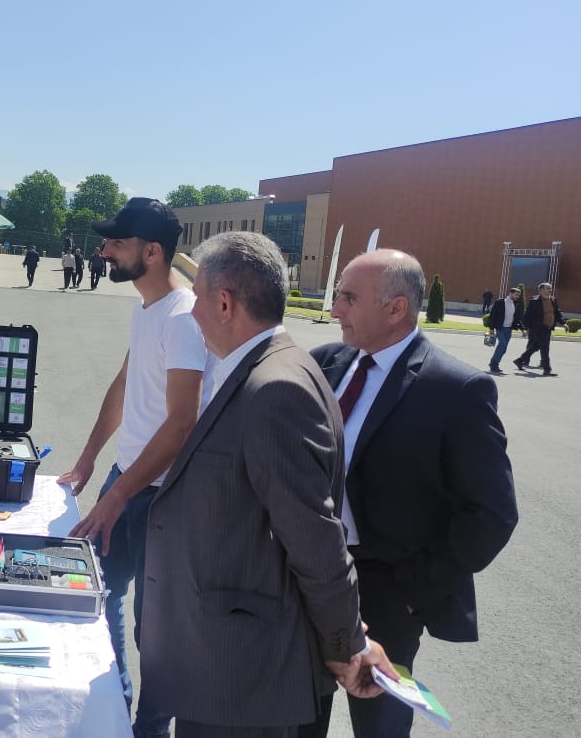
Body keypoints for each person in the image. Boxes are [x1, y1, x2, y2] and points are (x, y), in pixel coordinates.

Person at [141, 232, 397, 738]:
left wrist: (347, 645)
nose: (191, 316)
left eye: (197, 304)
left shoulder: (274, 387)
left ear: (223, 303)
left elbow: (315, 538)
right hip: (224, 663)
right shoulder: (267, 367)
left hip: (242, 681)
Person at [301, 249, 519, 738]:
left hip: (388, 594)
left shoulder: (457, 390)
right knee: (297, 717)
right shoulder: (324, 364)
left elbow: (492, 512)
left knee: (379, 725)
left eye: (349, 297)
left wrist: (412, 595)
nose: (336, 309)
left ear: (396, 308)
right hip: (312, 577)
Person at [58, 197, 217, 738]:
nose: (103, 250)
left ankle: (149, 729)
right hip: (127, 479)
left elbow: (181, 423)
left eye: (116, 243)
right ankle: (118, 710)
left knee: (159, 633)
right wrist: (86, 462)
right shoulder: (146, 308)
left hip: (163, 497)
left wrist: (118, 494)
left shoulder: (184, 318)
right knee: (99, 593)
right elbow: (125, 387)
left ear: (152, 252)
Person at [514, 282, 565, 376]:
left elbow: (557, 312)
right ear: (541, 290)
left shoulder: (553, 300)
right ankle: (547, 370)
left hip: (548, 328)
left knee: (536, 347)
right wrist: (524, 328)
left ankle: (519, 360)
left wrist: (563, 323)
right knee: (545, 348)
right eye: (548, 288)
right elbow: (528, 315)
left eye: (550, 289)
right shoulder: (535, 301)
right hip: (538, 328)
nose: (550, 290)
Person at [487, 287, 525, 373]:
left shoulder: (516, 304)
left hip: (508, 329)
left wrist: (523, 329)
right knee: (502, 344)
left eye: (518, 295)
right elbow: (493, 315)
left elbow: (517, 318)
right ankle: (493, 364)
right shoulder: (500, 302)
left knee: (504, 349)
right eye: (516, 294)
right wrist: (491, 328)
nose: (517, 296)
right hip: (500, 328)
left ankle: (495, 363)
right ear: (510, 293)